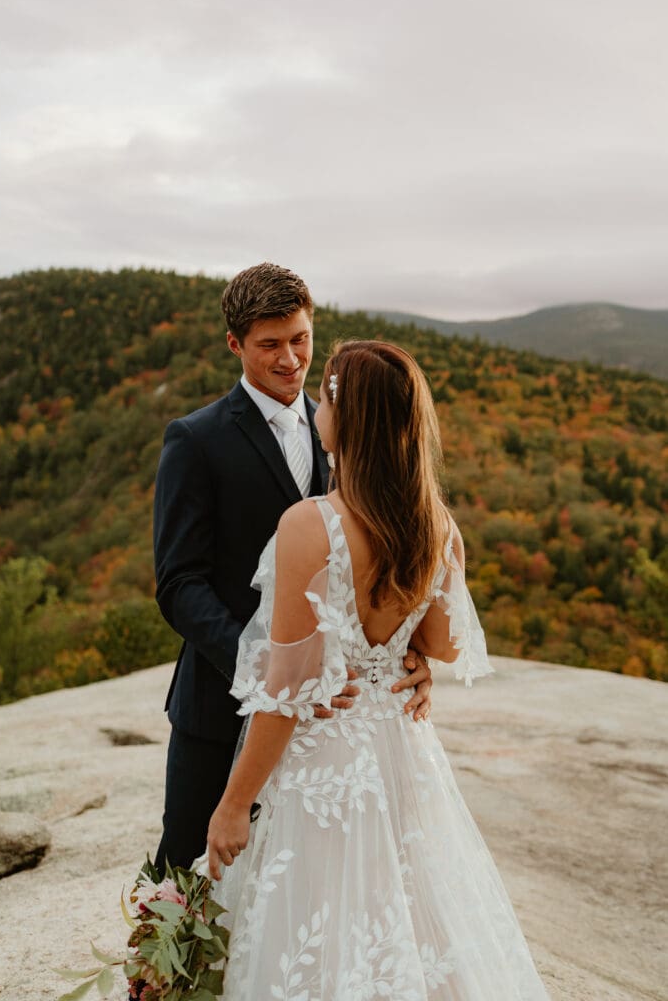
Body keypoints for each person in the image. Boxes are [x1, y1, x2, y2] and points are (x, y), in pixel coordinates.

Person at [202, 340, 550, 999]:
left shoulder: (311, 525)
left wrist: (232, 806)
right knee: (414, 918)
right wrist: (408, 657)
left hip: (324, 768)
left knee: (318, 927)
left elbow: (284, 696)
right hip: (401, 753)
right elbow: (443, 644)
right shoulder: (437, 527)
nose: (315, 408)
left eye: (326, 395)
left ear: (348, 417)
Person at [152, 264, 433, 872]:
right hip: (221, 702)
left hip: (332, 723)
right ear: (235, 344)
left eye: (300, 339)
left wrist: (414, 653)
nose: (290, 359)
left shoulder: (345, 427)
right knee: (187, 874)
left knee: (304, 879)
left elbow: (387, 550)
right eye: (270, 345)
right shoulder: (194, 441)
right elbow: (178, 584)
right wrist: (268, 666)